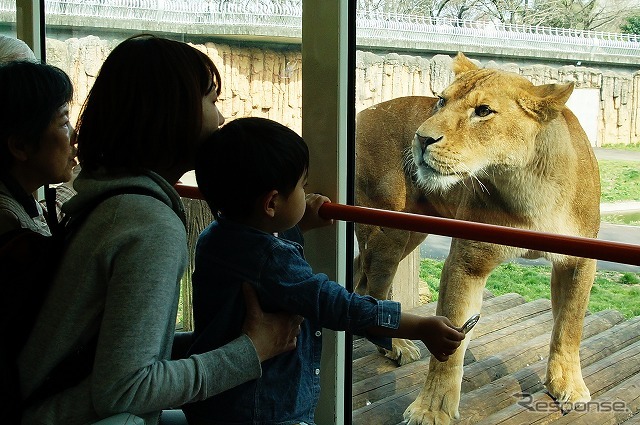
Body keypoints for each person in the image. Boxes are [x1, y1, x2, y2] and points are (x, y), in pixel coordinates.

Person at [18, 34, 301, 425]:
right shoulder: (147, 223)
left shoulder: (112, 197)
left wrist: (226, 342)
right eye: (212, 101)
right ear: (173, 112)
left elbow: (119, 351)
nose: (221, 120)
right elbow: (125, 387)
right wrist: (252, 350)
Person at [185, 117, 467, 425]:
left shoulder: (214, 238)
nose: (306, 193)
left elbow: (260, 249)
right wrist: (418, 327)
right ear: (272, 204)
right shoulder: (273, 260)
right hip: (267, 411)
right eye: (301, 187)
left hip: (218, 405)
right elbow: (337, 305)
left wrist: (298, 223)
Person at [0, 60, 76, 237]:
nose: (75, 137)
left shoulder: (21, 198)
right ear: (20, 146)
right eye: (64, 123)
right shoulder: (10, 224)